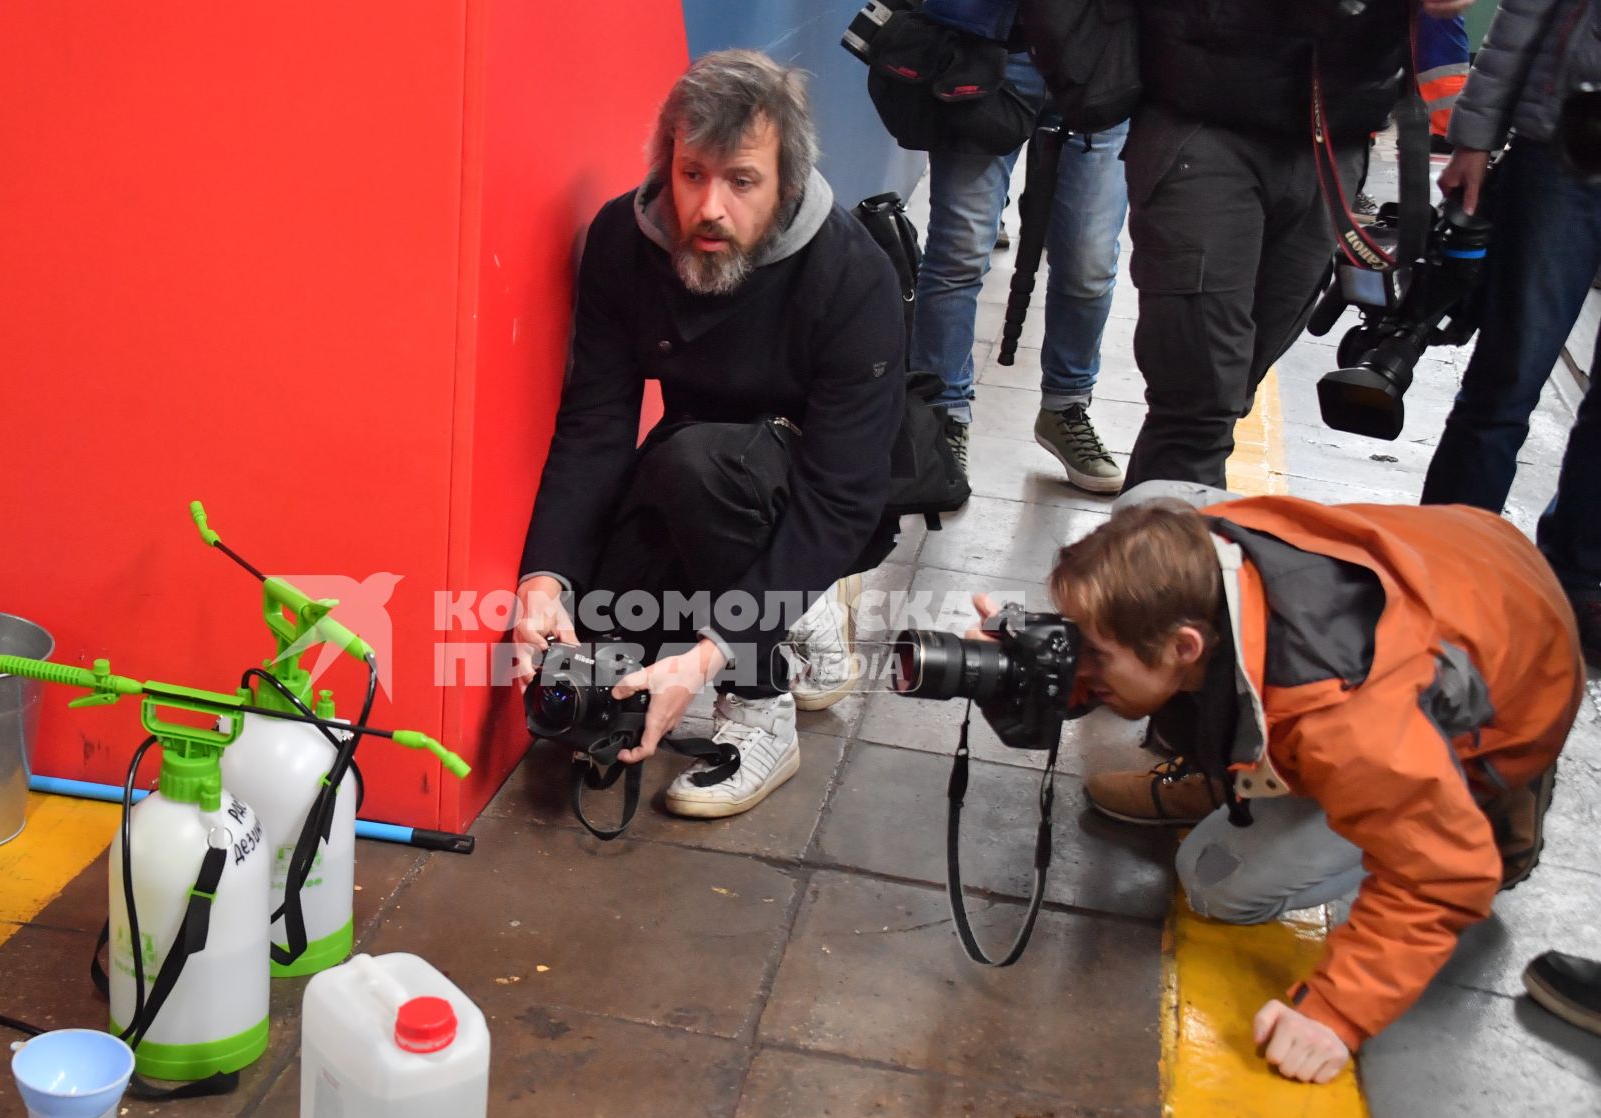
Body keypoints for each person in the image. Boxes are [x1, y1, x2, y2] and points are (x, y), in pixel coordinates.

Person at [1047, 488, 1581, 1082]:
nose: (1080, 665)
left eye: (1090, 655)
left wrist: (1336, 1013)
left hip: (1528, 673)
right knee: (1147, 500)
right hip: (1472, 553)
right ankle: (1238, 764)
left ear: (1184, 647)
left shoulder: (1345, 722)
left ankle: (1491, 787)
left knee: (1216, 880)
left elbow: (1443, 873)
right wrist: (1029, 673)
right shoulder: (1200, 545)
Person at [510, 50, 904, 818]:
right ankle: (785, 599)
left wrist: (715, 657)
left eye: (742, 180)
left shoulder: (853, 276)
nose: (710, 208)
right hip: (701, 470)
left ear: (785, 182)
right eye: (693, 174)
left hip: (827, 491)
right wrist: (544, 578)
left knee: (701, 468)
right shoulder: (625, 244)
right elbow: (595, 425)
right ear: (667, 165)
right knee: (604, 645)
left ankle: (764, 708)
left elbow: (842, 499)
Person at [1120, 1, 1475, 490]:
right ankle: (1176, 561)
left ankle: (1135, 554)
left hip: (1333, 134)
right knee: (1199, 400)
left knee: (1225, 395)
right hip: (1205, 117)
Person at [1420, 0, 1601, 661]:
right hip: (1564, 151)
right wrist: (1474, 135)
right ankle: (1437, 572)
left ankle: (1577, 583)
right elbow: (1524, 14)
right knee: (1506, 380)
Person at [910, 0, 1129, 494]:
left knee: (1089, 260)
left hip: (1099, 53)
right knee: (960, 250)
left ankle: (1066, 406)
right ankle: (941, 414)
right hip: (987, 48)